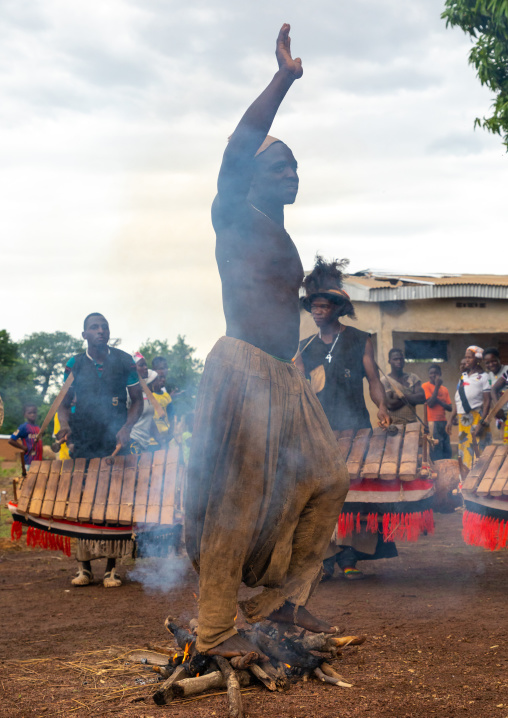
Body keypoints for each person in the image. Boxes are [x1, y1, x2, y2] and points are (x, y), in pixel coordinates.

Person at [185, 25, 349, 658]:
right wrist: (284, 78)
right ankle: (215, 627)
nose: (293, 173)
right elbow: (238, 145)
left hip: (285, 377)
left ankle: (283, 602)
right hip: (243, 370)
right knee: (235, 498)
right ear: (249, 177)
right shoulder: (232, 214)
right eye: (281, 165)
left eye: (297, 167)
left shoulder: (280, 235)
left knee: (329, 477)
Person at [296, 255, 394, 579]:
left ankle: (350, 555)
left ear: (336, 309)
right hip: (319, 433)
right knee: (317, 495)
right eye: (314, 307)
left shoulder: (358, 339)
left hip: (356, 429)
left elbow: (375, 381)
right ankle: (323, 558)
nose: (316, 312)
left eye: (323, 307)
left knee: (354, 494)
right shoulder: (304, 347)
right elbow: (297, 390)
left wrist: (381, 407)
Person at [57, 313, 143, 588]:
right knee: (83, 500)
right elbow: (63, 403)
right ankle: (84, 568)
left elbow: (137, 401)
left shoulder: (124, 360)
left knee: (113, 500)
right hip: (83, 441)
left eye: (104, 327)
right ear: (84, 335)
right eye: (94, 327)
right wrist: (66, 425)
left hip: (115, 440)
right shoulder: (75, 364)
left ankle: (111, 569)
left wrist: (127, 427)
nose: (101, 331)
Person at [446, 345, 491, 469]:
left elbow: (488, 401)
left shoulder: (484, 377)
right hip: (464, 420)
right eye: (465, 357)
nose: (466, 360)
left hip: (477, 417)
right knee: (465, 449)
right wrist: (450, 419)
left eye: (470, 358)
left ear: (478, 360)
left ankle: (480, 480)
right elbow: (459, 399)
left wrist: (482, 422)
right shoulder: (463, 376)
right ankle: (466, 479)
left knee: (478, 449)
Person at [130, 354, 168, 453]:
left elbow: (150, 422)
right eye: (141, 365)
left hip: (144, 444)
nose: (145, 367)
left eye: (145, 365)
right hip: (132, 442)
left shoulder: (149, 397)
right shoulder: (131, 393)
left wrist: (162, 442)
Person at [380, 349, 425, 425]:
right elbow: (390, 405)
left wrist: (398, 396)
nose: (399, 361)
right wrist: (412, 398)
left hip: (412, 424)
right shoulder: (385, 380)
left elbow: (421, 398)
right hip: (394, 425)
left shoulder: (413, 377)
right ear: (389, 361)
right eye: (395, 359)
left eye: (401, 359)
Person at [422, 364, 452, 461]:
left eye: (436, 373)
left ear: (440, 374)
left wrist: (438, 401)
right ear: (428, 375)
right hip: (432, 422)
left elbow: (450, 408)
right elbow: (430, 404)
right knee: (436, 448)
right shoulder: (425, 386)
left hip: (443, 422)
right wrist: (437, 386)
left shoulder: (445, 389)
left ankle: (446, 470)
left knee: (447, 448)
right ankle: (436, 472)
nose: (434, 375)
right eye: (431, 373)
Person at [484, 347, 508, 444]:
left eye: (493, 361)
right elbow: (492, 390)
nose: (491, 364)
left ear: (499, 359)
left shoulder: (505, 369)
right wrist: (498, 409)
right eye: (488, 362)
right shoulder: (488, 376)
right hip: (503, 413)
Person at [9, 403, 43, 468]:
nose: (32, 414)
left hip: (39, 461)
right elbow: (11, 440)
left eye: (34, 412)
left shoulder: (38, 428)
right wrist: (23, 448)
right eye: (29, 413)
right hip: (29, 462)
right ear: (25, 415)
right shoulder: (23, 427)